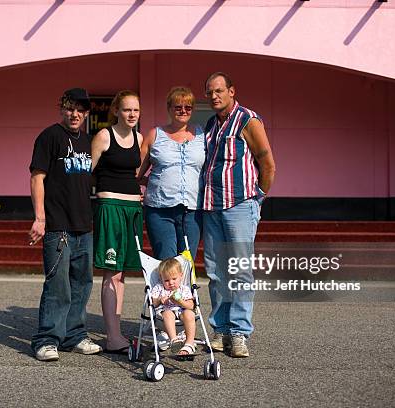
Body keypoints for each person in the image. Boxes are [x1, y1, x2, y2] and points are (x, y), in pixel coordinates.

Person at [201, 72, 276, 358]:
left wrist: (257, 199)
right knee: (217, 273)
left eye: (219, 90)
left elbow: (267, 163)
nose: (214, 96)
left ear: (232, 91)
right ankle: (220, 329)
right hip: (212, 208)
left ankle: (239, 332)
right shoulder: (210, 124)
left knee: (240, 271)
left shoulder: (248, 120)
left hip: (240, 206)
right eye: (209, 92)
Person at [29, 88, 102, 361]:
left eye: (81, 110)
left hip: (84, 224)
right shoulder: (49, 137)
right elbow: (37, 178)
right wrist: (40, 218)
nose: (75, 114)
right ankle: (46, 340)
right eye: (70, 108)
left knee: (82, 283)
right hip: (57, 224)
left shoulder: (87, 140)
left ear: (86, 114)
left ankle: (74, 335)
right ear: (62, 108)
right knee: (57, 284)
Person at [91, 90, 144, 354]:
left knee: (123, 273)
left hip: (133, 208)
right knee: (111, 272)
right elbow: (87, 173)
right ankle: (112, 336)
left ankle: (116, 334)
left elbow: (136, 173)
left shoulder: (140, 137)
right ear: (116, 111)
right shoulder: (103, 136)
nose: (132, 114)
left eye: (135, 110)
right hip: (109, 206)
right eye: (126, 110)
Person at [137, 86, 205, 260]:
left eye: (188, 107)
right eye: (178, 106)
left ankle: (188, 290)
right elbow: (136, 172)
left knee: (186, 262)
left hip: (192, 210)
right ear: (169, 108)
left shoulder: (203, 136)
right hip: (160, 211)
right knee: (166, 262)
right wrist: (146, 184)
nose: (183, 110)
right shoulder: (154, 135)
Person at [150, 257, 196, 357]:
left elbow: (191, 305)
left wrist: (180, 301)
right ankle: (174, 340)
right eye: (166, 280)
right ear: (161, 278)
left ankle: (189, 343)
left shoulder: (184, 289)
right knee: (168, 314)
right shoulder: (159, 288)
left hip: (181, 311)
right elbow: (153, 303)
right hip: (166, 311)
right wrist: (160, 300)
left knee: (190, 313)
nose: (171, 283)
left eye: (174, 279)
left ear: (181, 276)